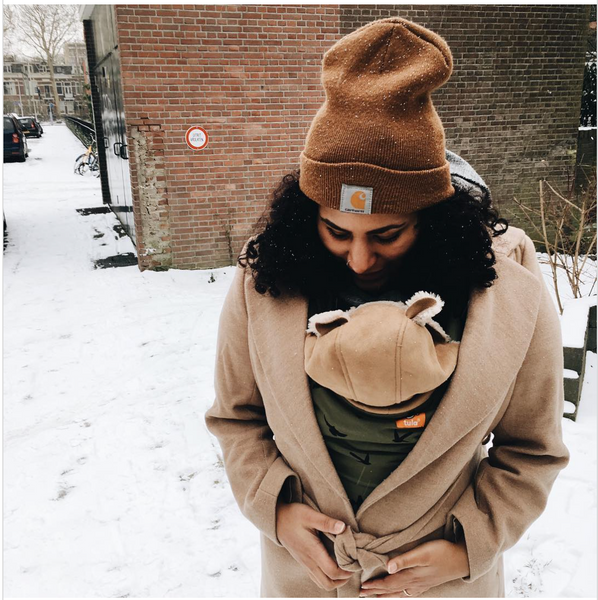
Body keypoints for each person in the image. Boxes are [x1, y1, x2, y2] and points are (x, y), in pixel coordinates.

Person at [205, 16, 569, 598]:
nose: (357, 259)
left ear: (432, 221)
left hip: (445, 587)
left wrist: (469, 544)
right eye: (335, 230)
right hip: (304, 579)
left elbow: (532, 450)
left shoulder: (507, 294)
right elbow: (236, 420)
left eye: (387, 234)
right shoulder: (264, 281)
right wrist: (275, 509)